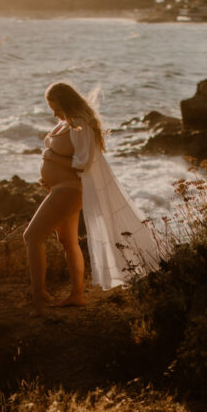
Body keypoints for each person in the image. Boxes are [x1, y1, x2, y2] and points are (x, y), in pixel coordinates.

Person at [23, 82, 160, 316]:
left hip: (70, 190)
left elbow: (82, 164)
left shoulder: (80, 125)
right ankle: (77, 295)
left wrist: (51, 158)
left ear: (65, 102)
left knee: (32, 236)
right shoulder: (66, 122)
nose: (53, 112)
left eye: (54, 107)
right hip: (59, 188)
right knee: (68, 241)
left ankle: (39, 293)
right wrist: (48, 174)